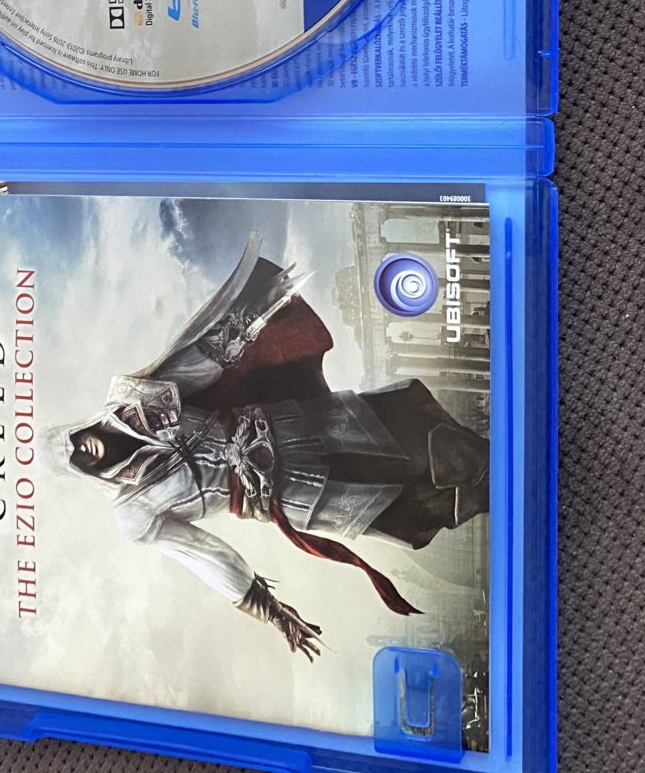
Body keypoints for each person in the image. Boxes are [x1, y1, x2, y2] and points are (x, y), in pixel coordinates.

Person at [52, 233, 490, 659]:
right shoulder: (133, 512)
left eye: (73, 442)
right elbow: (205, 555)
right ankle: (490, 495)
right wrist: (272, 612)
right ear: (78, 473)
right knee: (407, 509)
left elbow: (200, 367)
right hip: (286, 495)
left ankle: (491, 460)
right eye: (73, 461)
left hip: (292, 426)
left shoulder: (133, 398)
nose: (81, 451)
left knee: (414, 433)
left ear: (75, 429)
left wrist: (256, 312)